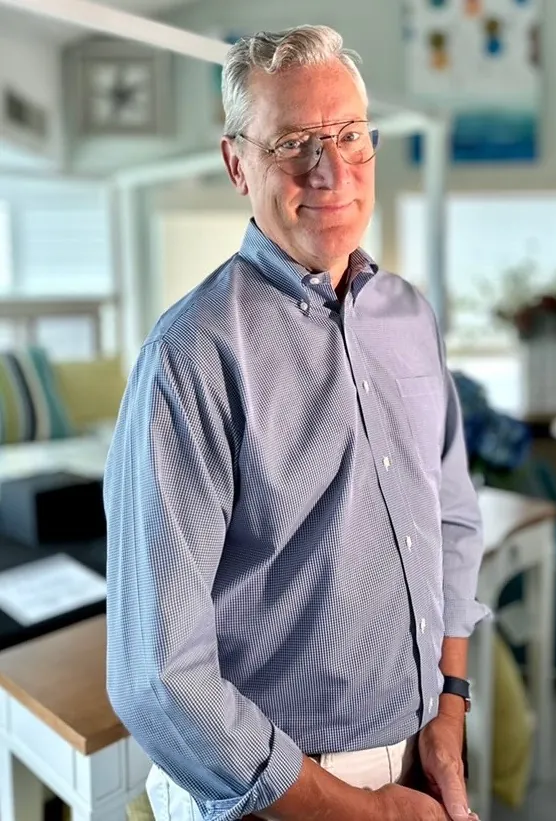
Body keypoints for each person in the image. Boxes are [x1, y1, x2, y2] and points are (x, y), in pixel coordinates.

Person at [104, 24, 489, 821]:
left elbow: (451, 516)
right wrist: (363, 810)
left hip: (424, 751)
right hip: (281, 794)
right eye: (294, 144)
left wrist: (450, 706)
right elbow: (157, 674)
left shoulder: (409, 315)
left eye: (349, 134)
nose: (332, 168)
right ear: (237, 162)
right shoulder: (190, 356)